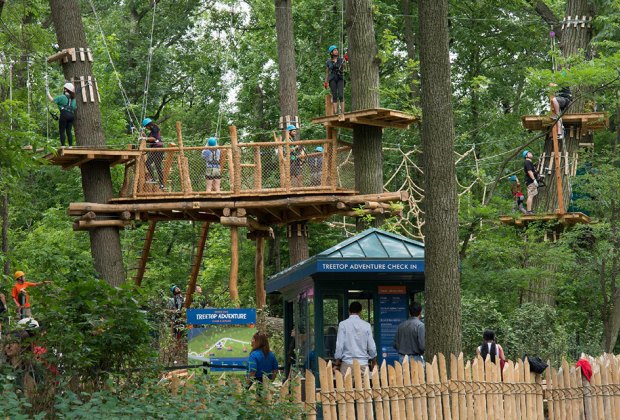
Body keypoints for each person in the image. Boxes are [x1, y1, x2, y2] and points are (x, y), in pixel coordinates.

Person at [334, 301, 377, 375]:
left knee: (346, 386)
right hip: (363, 365)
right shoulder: (367, 325)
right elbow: (372, 347)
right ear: (360, 311)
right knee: (363, 387)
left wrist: (337, 363)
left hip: (347, 364)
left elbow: (339, 346)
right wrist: (374, 361)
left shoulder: (343, 325)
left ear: (349, 310)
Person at [47, 82, 77, 147]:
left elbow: (52, 100)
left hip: (64, 115)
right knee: (69, 131)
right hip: (71, 115)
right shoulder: (73, 99)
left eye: (64, 88)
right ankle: (70, 146)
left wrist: (47, 93)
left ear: (66, 89)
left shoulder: (62, 97)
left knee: (62, 131)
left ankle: (63, 146)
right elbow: (74, 107)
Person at [141, 118, 165, 189]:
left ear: (148, 125)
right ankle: (153, 179)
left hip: (159, 149)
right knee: (148, 163)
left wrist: (145, 138)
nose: (146, 128)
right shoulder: (151, 131)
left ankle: (161, 184)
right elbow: (150, 140)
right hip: (154, 150)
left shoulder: (155, 128)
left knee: (158, 167)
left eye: (146, 127)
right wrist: (144, 136)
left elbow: (154, 139)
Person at [324, 45, 347, 115]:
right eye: (334, 50)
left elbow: (345, 68)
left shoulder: (341, 60)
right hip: (332, 79)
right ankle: (336, 112)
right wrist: (326, 82)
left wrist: (345, 61)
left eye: (337, 50)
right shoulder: (328, 61)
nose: (336, 51)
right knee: (334, 96)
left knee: (340, 95)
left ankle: (343, 112)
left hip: (340, 78)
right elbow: (327, 72)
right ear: (331, 53)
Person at [522, 150, 539, 215]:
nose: (531, 153)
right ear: (526, 156)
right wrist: (534, 179)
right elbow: (529, 172)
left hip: (530, 180)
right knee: (530, 195)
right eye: (529, 153)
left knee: (532, 195)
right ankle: (529, 211)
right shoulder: (527, 162)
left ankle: (529, 210)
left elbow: (533, 171)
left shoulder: (529, 162)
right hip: (530, 181)